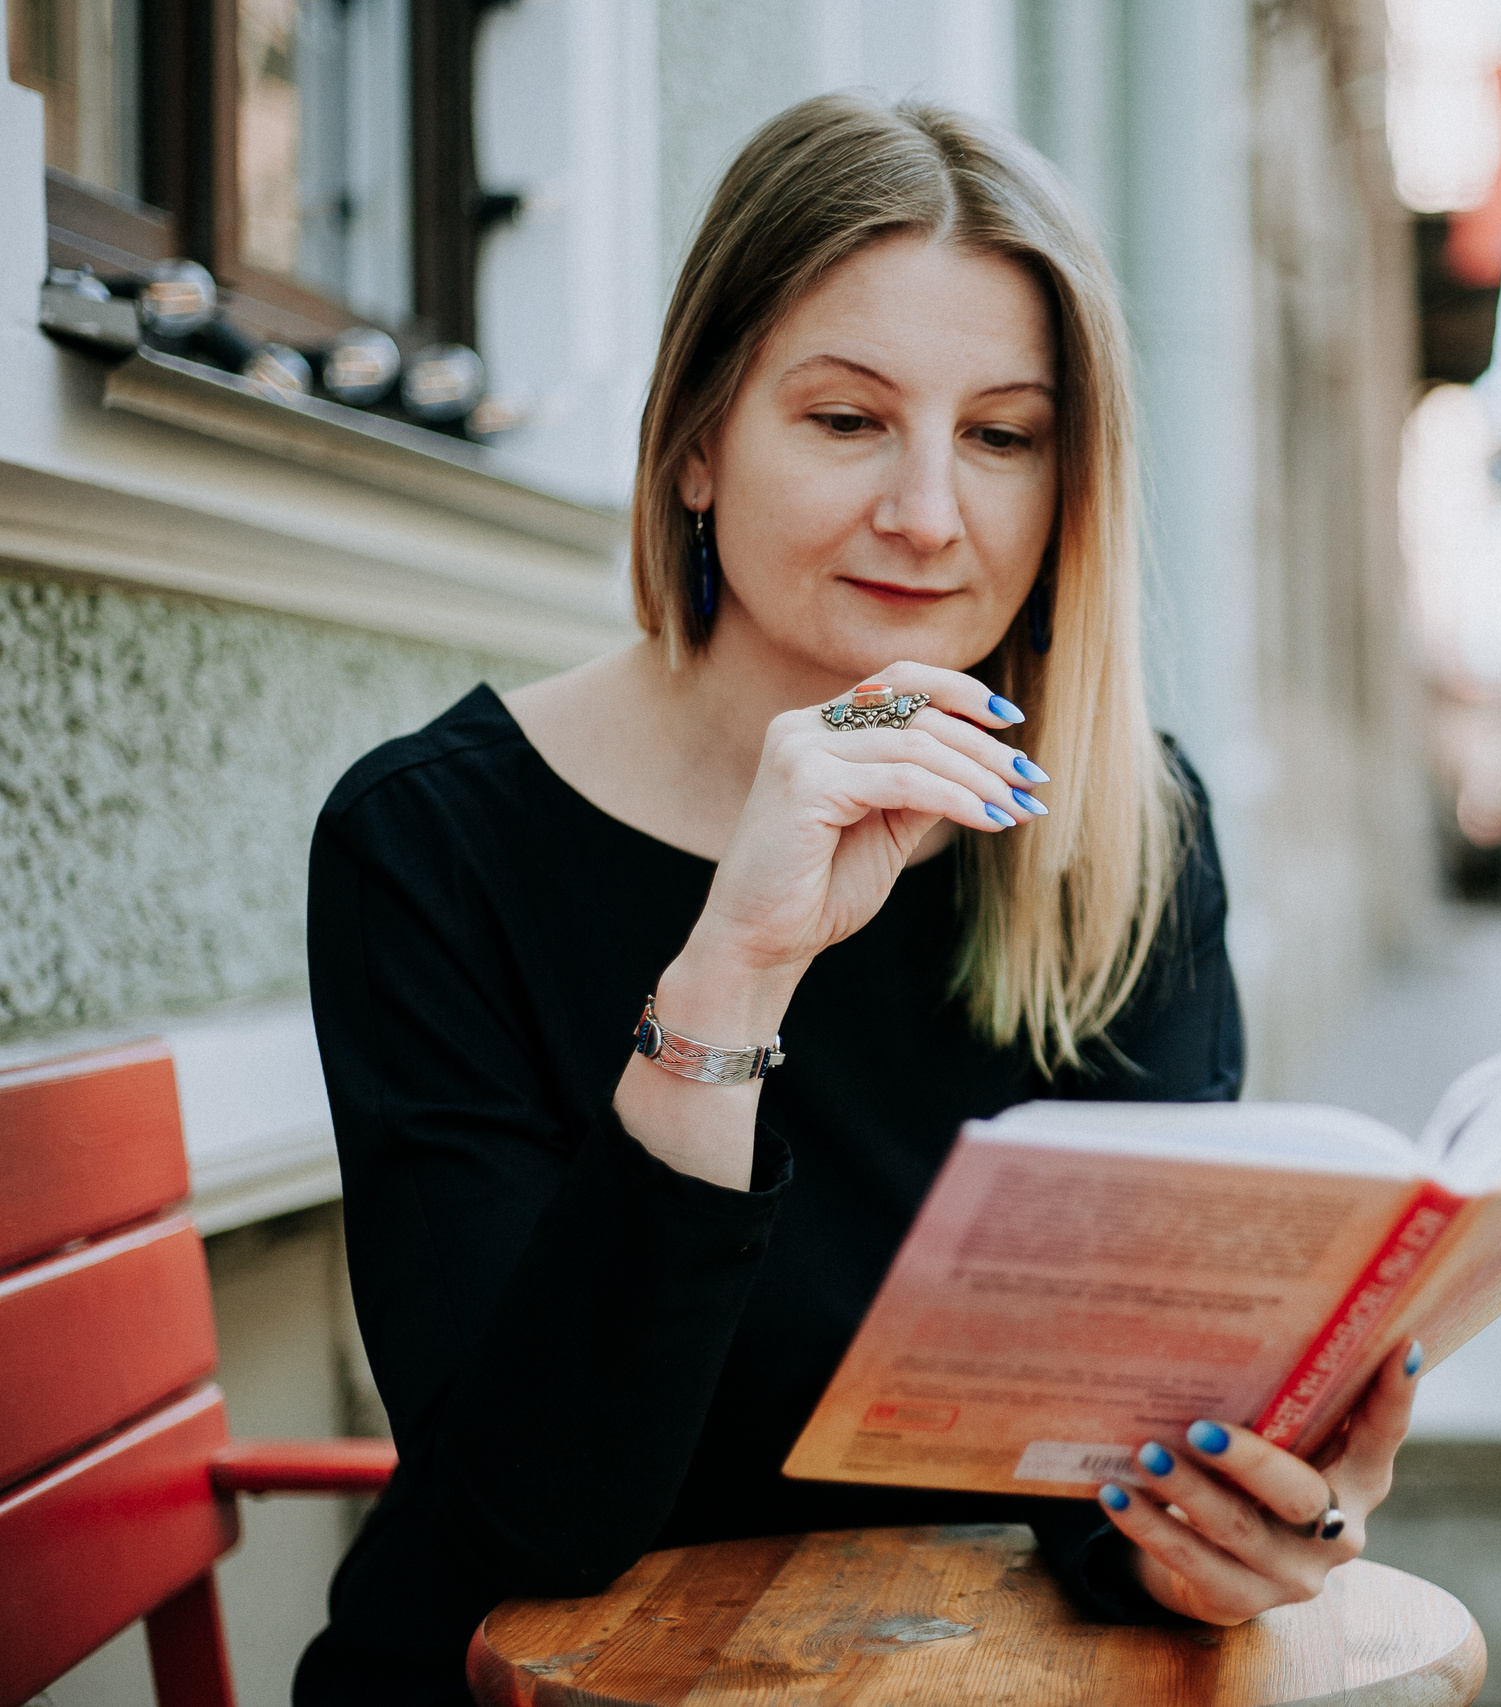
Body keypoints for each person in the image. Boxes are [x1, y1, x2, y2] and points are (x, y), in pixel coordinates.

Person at [295, 94, 1418, 1705]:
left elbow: (1104, 1471)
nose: (929, 514)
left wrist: (1212, 1532)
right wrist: (734, 970)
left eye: (1004, 437)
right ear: (696, 442)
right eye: (845, 419)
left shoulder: (1123, 832)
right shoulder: (431, 844)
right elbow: (534, 1518)